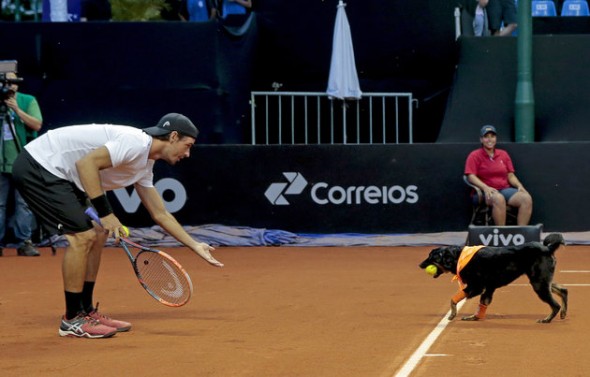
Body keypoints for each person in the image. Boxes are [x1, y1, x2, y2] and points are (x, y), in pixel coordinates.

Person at [12, 113, 224, 339]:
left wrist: (194, 245)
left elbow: (160, 213)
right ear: (173, 136)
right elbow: (86, 164)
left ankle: (86, 310)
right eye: (187, 145)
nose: (187, 153)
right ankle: (72, 319)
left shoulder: (145, 165)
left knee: (99, 232)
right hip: (40, 165)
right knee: (83, 237)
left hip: (66, 176)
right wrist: (107, 214)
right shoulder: (135, 142)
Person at [0, 71, 42, 257]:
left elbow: (37, 125)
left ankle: (24, 242)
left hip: (22, 161)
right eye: (5, 81)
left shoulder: (27, 100)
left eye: (12, 81)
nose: (9, 85)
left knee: (23, 204)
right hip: (1, 163)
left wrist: (16, 110)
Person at [464, 125, 533, 226]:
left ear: (496, 139)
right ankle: (501, 234)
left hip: (504, 189)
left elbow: (510, 175)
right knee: (498, 198)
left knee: (526, 198)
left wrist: (519, 186)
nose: (490, 139)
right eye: (486, 137)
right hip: (484, 192)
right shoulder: (474, 155)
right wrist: (485, 187)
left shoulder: (503, 154)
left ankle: (521, 234)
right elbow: (470, 176)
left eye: (492, 136)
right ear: (481, 139)